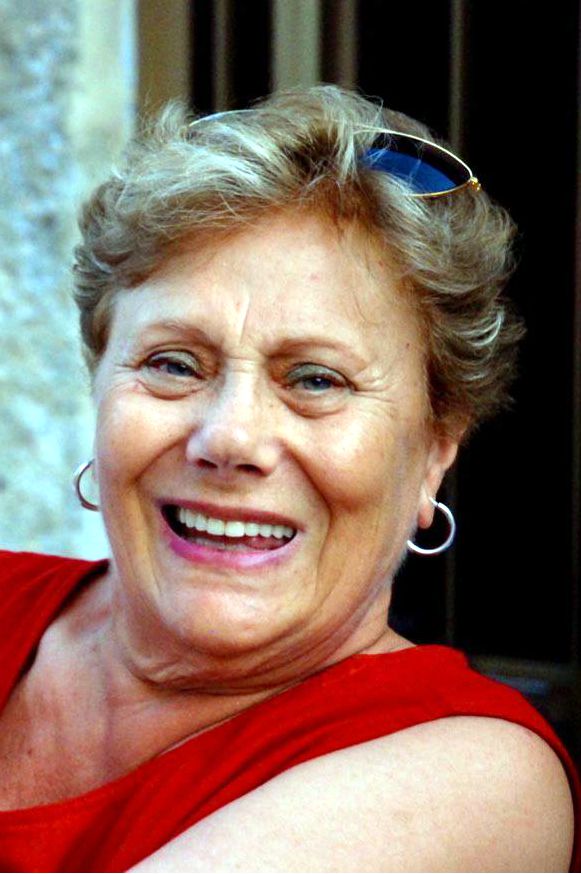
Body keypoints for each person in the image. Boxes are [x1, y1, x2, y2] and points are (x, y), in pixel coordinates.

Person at [0, 84, 578, 873]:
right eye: (174, 364)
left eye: (315, 380)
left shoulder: (472, 780)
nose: (229, 438)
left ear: (435, 449)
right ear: (97, 385)